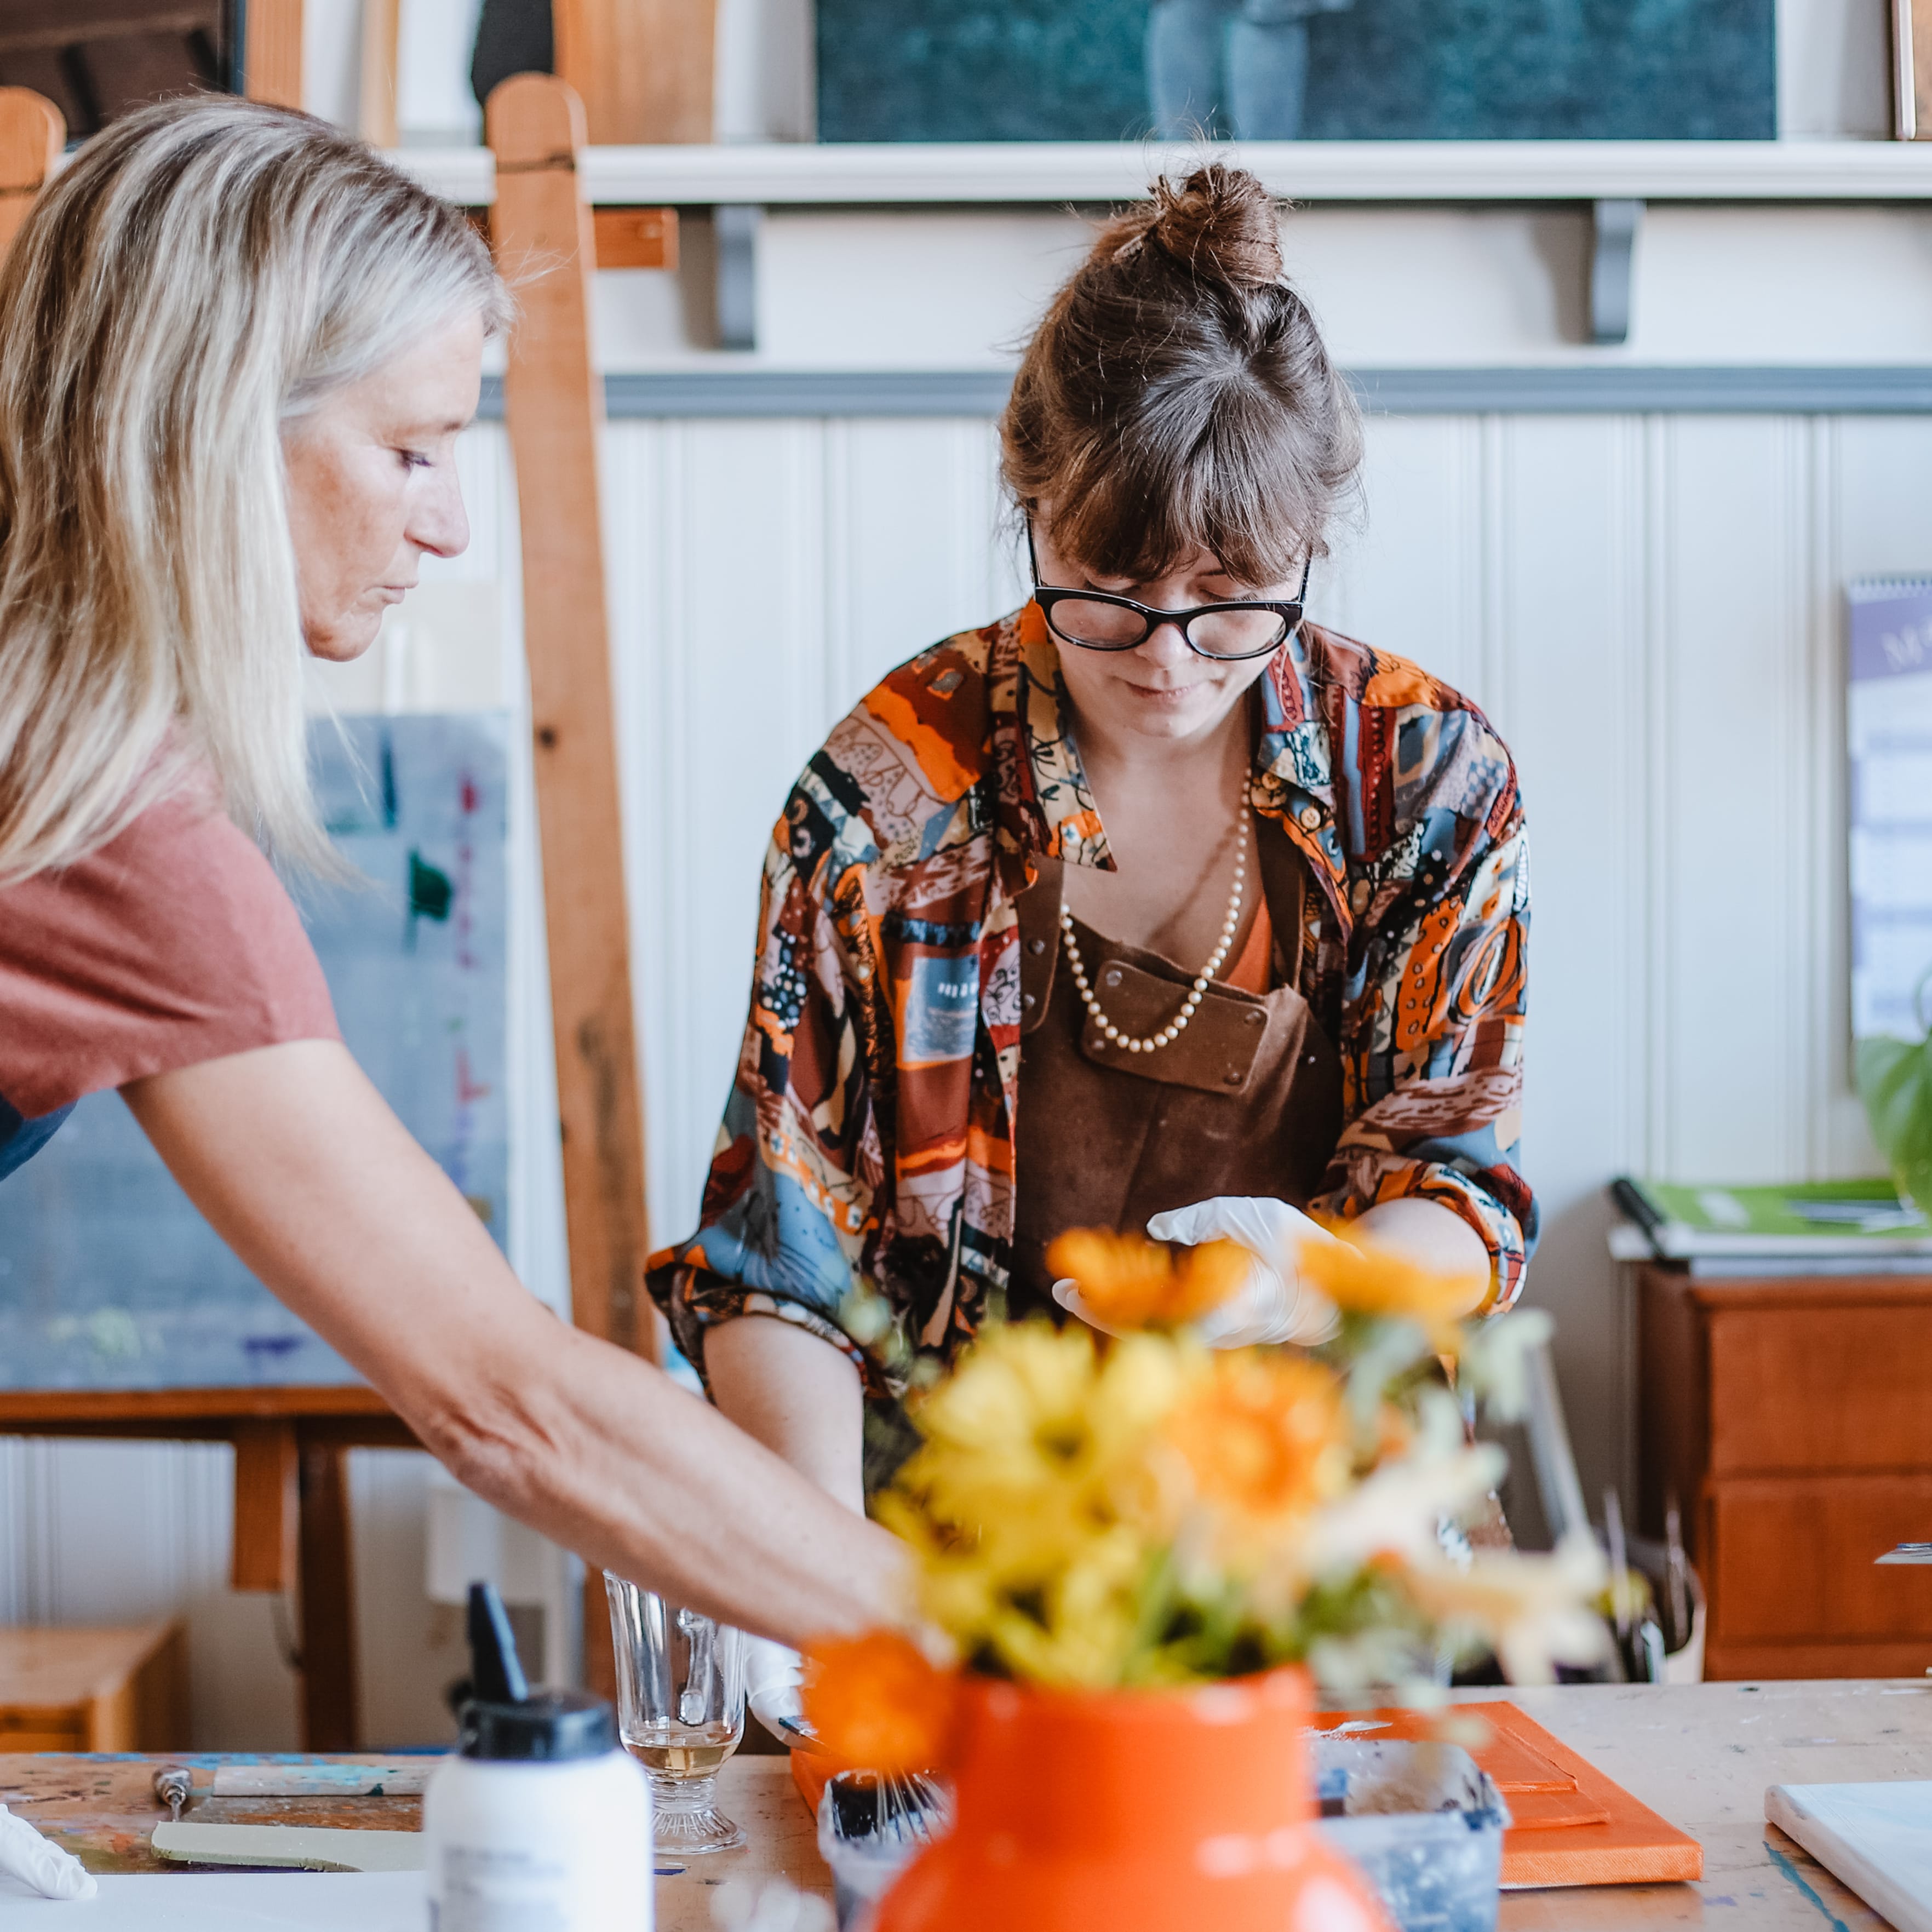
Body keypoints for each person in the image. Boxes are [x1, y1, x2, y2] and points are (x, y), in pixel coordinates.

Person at [0, 98, 904, 1644]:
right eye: (411, 451)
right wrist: (1005, 1658)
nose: (452, 524)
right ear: (209, 428)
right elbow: (508, 1400)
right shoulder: (109, 826)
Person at [650, 164, 1537, 1516]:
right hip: (967, 1535)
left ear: (1309, 543)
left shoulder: (1421, 779)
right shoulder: (890, 798)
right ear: (1033, 510)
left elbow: (1461, 1191)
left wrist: (1316, 1281)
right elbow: (783, 1265)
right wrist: (831, 1582)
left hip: (1322, 1526)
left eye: (1232, 597)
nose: (1170, 660)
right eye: (1111, 589)